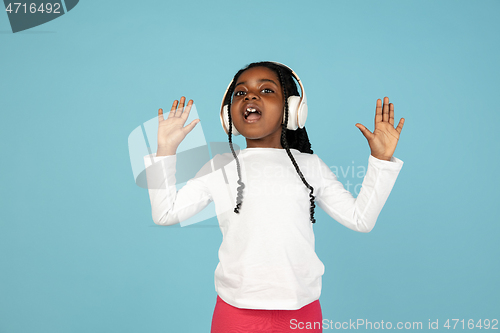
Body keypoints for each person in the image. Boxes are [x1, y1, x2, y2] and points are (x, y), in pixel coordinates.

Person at [143, 61, 405, 332]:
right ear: (227, 115)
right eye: (240, 93)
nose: (250, 97)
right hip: (235, 312)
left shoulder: (309, 166)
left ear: (291, 110)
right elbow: (165, 214)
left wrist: (381, 160)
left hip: (301, 312)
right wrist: (165, 150)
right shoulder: (218, 166)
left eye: (266, 91)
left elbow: (360, 219)